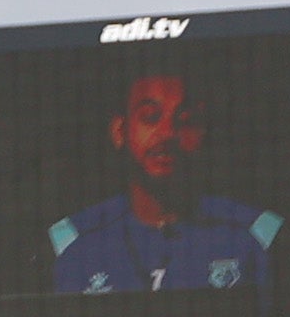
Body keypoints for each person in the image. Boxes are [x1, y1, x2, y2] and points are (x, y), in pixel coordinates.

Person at [48, 68, 277, 303]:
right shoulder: (70, 242)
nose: (167, 133)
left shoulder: (256, 233)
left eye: (185, 121)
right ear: (119, 131)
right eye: (150, 117)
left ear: (203, 133)